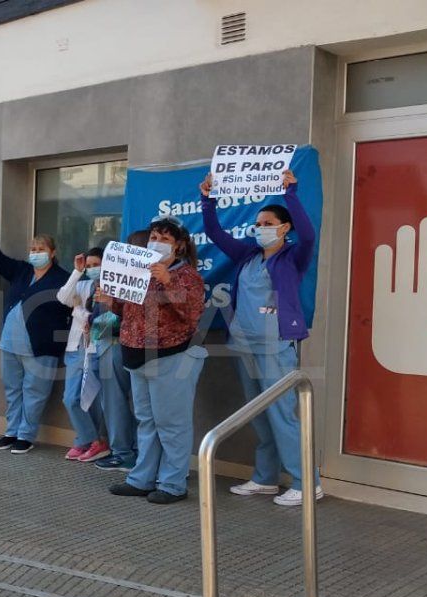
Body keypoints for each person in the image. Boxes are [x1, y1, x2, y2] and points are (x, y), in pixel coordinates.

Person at [201, 169, 321, 506]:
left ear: (284, 229)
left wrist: (291, 193)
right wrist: (207, 199)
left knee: (282, 412)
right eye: (258, 223)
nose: (260, 228)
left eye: (268, 223)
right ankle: (266, 478)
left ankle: (306, 482)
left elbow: (308, 234)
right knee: (258, 412)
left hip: (275, 346)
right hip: (244, 344)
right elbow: (214, 232)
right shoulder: (247, 256)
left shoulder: (293, 257)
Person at [107, 218, 206, 504]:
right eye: (153, 236)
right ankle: (142, 479)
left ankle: (173, 484)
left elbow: (192, 312)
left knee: (172, 424)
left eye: (164, 239)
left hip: (172, 357)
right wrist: (110, 299)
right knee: (147, 421)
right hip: (137, 356)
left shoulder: (187, 275)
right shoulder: (138, 271)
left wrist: (168, 280)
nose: (156, 243)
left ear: (179, 245)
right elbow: (126, 310)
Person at [0, 230, 72, 454]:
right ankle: (11, 431)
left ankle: (26, 435)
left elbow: (70, 307)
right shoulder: (22, 271)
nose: (36, 253)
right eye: (33, 249)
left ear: (52, 253)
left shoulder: (63, 278)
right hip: (10, 343)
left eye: (41, 249)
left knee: (35, 391)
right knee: (12, 389)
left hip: (41, 346)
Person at [90, 230, 146, 472]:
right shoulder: (116, 276)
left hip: (142, 347)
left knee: (143, 408)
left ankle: (136, 455)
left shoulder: (161, 277)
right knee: (114, 402)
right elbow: (104, 314)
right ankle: (124, 452)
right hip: (113, 342)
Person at [57, 247, 112, 463]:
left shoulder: (109, 288)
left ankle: (88, 441)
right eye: (88, 266)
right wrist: (77, 272)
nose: (92, 269)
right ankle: (91, 439)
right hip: (76, 348)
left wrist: (78, 311)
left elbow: (97, 319)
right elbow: (62, 297)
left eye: (95, 265)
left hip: (96, 346)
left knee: (92, 398)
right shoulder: (83, 284)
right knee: (70, 398)